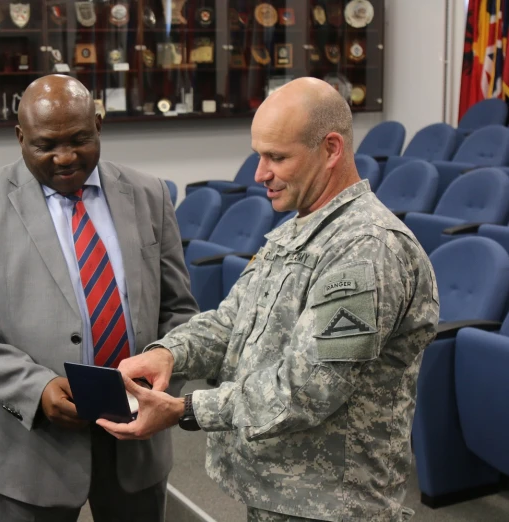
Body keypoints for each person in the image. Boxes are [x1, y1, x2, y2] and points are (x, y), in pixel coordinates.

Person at [97, 77, 440, 522]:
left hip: (334, 504)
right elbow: (231, 320)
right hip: (281, 492)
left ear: (331, 149)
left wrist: (187, 409)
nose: (260, 174)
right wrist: (169, 353)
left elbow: (310, 388)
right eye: (259, 155)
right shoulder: (300, 226)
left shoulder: (366, 250)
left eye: (277, 157)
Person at [0, 74, 199, 522]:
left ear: (98, 124)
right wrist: (34, 389)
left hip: (137, 437)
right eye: (45, 145)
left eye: (79, 139)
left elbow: (179, 310)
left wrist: (161, 382)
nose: (65, 157)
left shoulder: (149, 194)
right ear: (20, 137)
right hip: (33, 444)